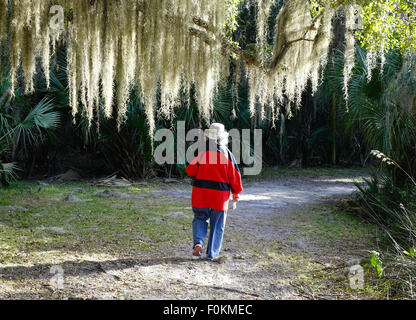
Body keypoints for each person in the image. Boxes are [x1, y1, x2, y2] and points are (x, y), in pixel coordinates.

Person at [185, 123, 243, 259]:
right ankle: (212, 253)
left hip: (201, 193)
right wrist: (236, 193)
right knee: (217, 224)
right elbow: (235, 176)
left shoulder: (201, 152)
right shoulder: (227, 154)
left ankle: (198, 243)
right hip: (220, 195)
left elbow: (190, 170)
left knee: (200, 217)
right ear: (222, 138)